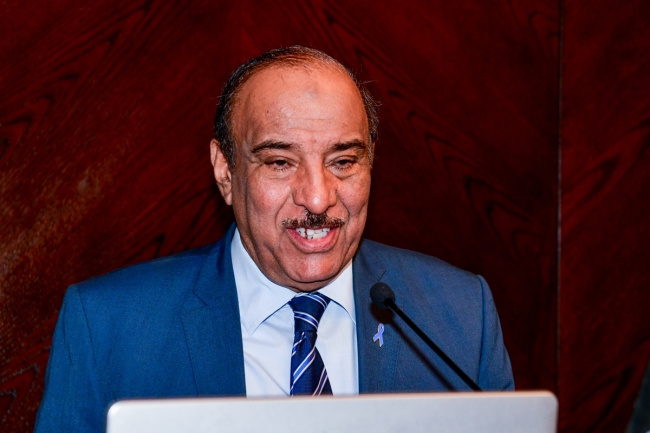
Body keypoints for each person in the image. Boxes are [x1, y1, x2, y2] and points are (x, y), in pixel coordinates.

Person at [34, 46, 514, 432]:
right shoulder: (109, 327)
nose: (318, 197)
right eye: (281, 162)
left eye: (343, 161)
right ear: (225, 172)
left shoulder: (459, 315)